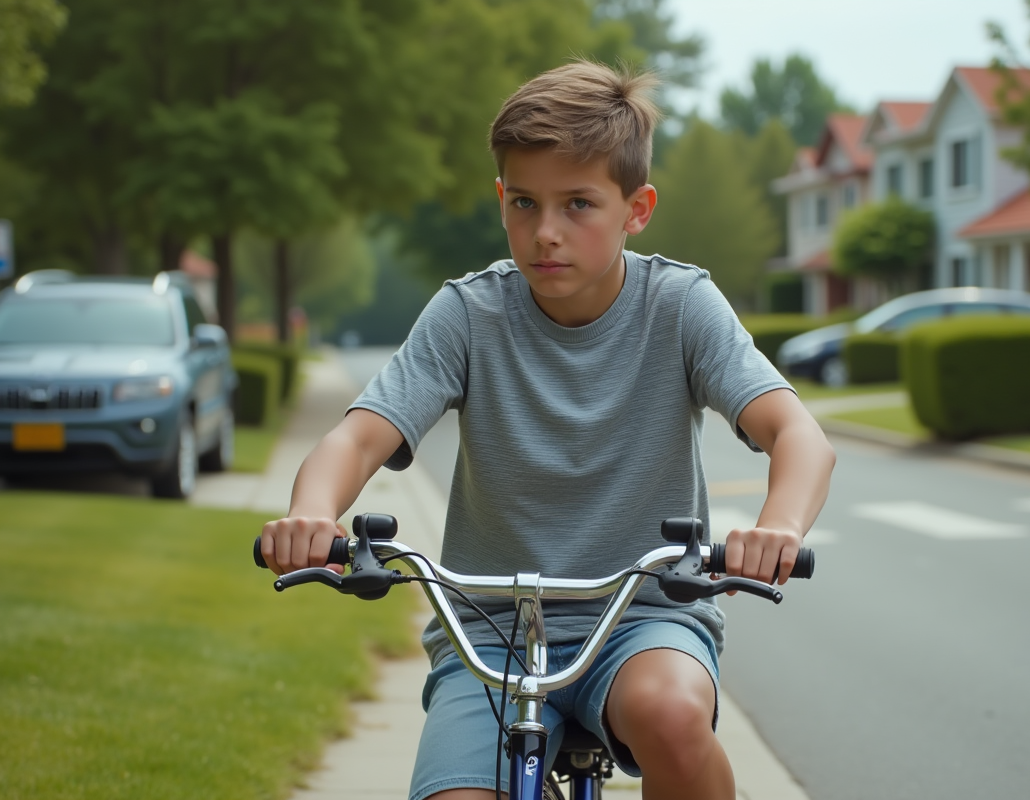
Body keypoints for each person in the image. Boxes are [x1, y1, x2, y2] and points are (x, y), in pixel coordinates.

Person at [260, 60, 835, 800]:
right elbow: (358, 438)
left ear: (637, 208)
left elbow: (798, 434)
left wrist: (778, 526)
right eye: (524, 202)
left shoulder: (681, 306)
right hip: (489, 634)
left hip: (643, 618)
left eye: (578, 205)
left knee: (670, 716)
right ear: (501, 199)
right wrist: (312, 513)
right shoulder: (469, 315)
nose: (545, 232)